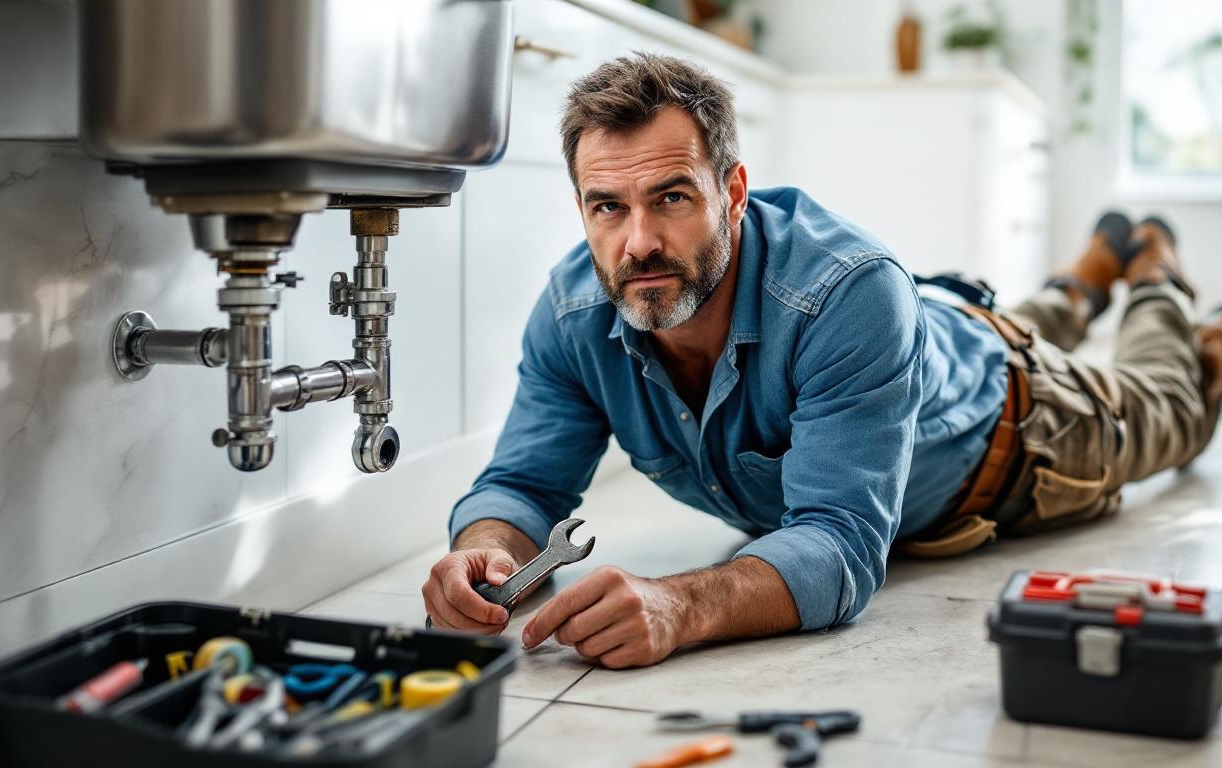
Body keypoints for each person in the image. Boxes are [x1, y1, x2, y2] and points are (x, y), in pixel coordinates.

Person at [420, 53, 1222, 669]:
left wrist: (680, 606)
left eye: (672, 197)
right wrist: (482, 548)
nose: (639, 243)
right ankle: (1082, 281)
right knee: (985, 322)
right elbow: (521, 488)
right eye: (609, 207)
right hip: (934, 328)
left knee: (1178, 401)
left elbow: (838, 539)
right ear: (582, 207)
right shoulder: (572, 314)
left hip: (1028, 420)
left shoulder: (846, 296)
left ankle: (1149, 267)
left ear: (734, 192)